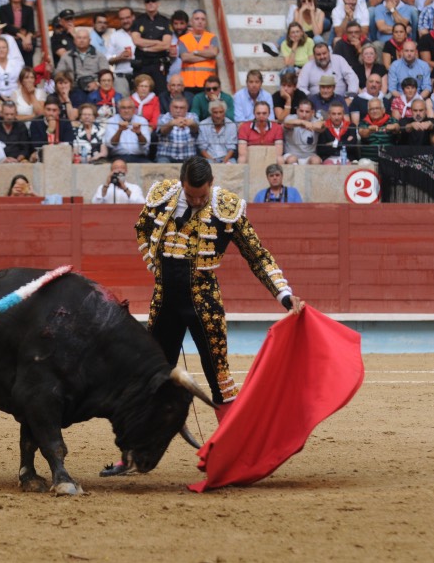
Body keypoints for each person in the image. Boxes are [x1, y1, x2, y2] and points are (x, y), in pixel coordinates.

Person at [124, 156, 303, 453]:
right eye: (191, 195)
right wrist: (153, 263)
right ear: (182, 183)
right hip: (164, 300)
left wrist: (284, 294)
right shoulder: (163, 196)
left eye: (202, 195)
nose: (197, 201)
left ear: (212, 183)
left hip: (204, 302)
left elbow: (257, 255)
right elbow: (141, 227)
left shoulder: (226, 207)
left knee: (220, 378)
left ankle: (235, 453)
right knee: (151, 379)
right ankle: (134, 454)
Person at [131, 0, 172, 94]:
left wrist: (145, 48)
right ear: (144, 4)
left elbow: (166, 45)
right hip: (142, 64)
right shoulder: (138, 21)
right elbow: (136, 40)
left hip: (158, 64)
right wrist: (157, 42)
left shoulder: (165, 21)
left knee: (161, 93)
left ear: (158, 3)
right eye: (147, 1)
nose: (150, 3)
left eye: (153, 1)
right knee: (140, 93)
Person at [56, 27, 109, 108]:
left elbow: (106, 74)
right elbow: (58, 74)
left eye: (84, 38)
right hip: (74, 88)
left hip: (95, 88)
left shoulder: (99, 56)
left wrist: (97, 83)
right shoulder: (66, 56)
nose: (82, 40)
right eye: (79, 38)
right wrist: (68, 84)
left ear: (89, 40)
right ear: (74, 40)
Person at [178, 8, 218, 92]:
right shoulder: (183, 39)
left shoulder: (212, 37)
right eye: (197, 19)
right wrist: (207, 56)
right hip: (188, 84)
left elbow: (213, 52)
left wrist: (195, 52)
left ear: (206, 22)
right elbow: (185, 57)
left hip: (208, 84)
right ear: (191, 22)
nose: (200, 22)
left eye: (203, 19)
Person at [103, 96, 151, 162]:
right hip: (119, 157)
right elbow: (111, 144)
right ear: (119, 110)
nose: (126, 111)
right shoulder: (112, 121)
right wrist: (119, 131)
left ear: (134, 109)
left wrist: (139, 133)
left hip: (139, 156)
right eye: (123, 108)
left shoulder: (142, 121)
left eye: (129, 108)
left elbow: (145, 144)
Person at [28, 93, 74, 161]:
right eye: (48, 109)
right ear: (44, 110)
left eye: (54, 110)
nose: (51, 113)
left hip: (61, 157)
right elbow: (37, 146)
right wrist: (50, 130)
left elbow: (68, 144)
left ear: (59, 111)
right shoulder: (36, 123)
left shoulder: (65, 123)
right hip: (42, 157)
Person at [155, 95, 199, 163]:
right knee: (162, 162)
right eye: (175, 107)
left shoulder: (193, 116)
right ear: (170, 108)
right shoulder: (163, 117)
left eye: (181, 108)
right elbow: (162, 132)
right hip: (166, 156)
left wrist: (192, 124)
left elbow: (196, 130)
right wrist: (171, 124)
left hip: (188, 156)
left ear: (186, 109)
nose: (178, 110)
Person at [0, 0, 35, 66]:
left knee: (30, 44)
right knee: (18, 44)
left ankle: (28, 70)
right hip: (11, 36)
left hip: (25, 36)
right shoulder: (3, 9)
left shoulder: (28, 9)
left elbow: (31, 27)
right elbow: (7, 26)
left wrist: (28, 38)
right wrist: (22, 37)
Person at [197, 99, 237, 163]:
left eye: (221, 112)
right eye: (215, 112)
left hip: (226, 158)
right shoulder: (203, 125)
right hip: (209, 158)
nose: (218, 116)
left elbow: (231, 148)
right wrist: (213, 161)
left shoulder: (231, 125)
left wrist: (224, 162)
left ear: (224, 112)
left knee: (233, 164)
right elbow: (202, 148)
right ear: (211, 113)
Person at [108, 7, 136, 97]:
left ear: (133, 17)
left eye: (127, 18)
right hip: (121, 77)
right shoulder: (115, 36)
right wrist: (119, 57)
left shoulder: (142, 33)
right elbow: (108, 58)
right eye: (122, 19)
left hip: (139, 76)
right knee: (122, 103)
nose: (125, 21)